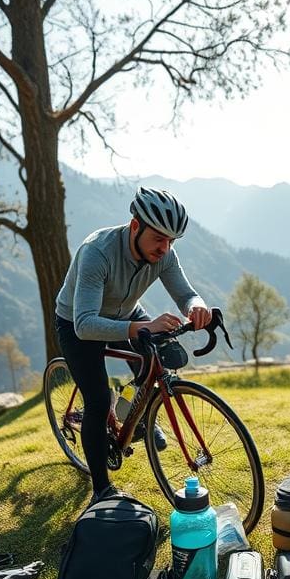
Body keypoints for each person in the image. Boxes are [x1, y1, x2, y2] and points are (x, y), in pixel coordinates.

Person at [54, 187, 211, 501]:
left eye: (171, 241)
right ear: (135, 226)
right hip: (78, 323)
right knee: (98, 402)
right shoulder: (97, 252)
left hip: (127, 312)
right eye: (159, 239)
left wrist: (197, 305)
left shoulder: (164, 251)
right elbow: (85, 324)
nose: (165, 248)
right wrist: (144, 326)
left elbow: (185, 293)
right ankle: (101, 489)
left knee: (155, 364)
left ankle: (133, 418)